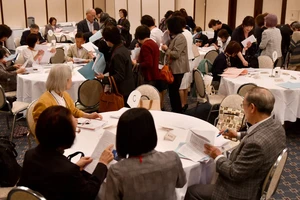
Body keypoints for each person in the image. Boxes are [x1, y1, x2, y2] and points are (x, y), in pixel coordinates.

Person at [185, 86, 286, 200]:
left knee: (192, 191)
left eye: (243, 105)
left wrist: (217, 156)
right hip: (255, 176)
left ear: (252, 108)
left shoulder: (256, 144)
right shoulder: (277, 126)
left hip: (241, 192)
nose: (242, 109)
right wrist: (237, 135)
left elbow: (234, 173)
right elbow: (259, 134)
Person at [18, 105, 114, 200]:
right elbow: (89, 194)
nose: (76, 121)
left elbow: (50, 177)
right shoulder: (67, 171)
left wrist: (76, 166)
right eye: (74, 129)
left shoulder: (29, 154)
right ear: (66, 136)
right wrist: (102, 163)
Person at [105, 108, 186, 200]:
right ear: (152, 131)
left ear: (122, 138)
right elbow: (181, 183)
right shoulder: (172, 159)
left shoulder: (117, 171)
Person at [32, 64, 102, 122]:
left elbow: (74, 111)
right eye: (70, 79)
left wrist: (88, 116)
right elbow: (42, 129)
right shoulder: (44, 103)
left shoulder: (64, 94)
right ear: (63, 81)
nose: (71, 81)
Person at [96, 26, 135, 104]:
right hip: (128, 87)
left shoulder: (118, 54)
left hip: (122, 91)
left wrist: (104, 78)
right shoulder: (121, 47)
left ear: (109, 40)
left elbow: (120, 76)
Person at [161, 16, 190, 113]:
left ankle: (177, 110)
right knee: (173, 92)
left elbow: (176, 54)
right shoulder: (175, 37)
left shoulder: (180, 38)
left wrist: (166, 49)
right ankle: (176, 109)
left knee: (174, 91)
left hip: (178, 68)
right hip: (175, 68)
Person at [178, 16, 194, 112]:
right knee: (186, 84)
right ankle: (185, 102)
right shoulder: (188, 32)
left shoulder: (181, 34)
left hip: (183, 61)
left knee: (180, 86)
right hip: (190, 59)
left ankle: (182, 104)